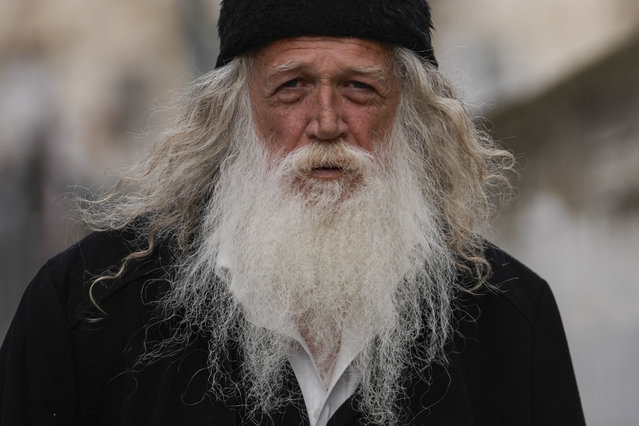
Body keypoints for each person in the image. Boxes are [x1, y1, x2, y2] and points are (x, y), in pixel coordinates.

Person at [0, 0, 585, 424]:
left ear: (413, 112)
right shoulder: (85, 311)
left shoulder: (511, 321)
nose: (326, 122)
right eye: (291, 86)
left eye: (359, 88)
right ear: (235, 109)